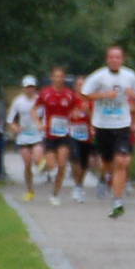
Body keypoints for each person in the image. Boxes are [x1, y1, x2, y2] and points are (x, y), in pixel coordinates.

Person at [81, 45, 135, 218]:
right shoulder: (99, 76)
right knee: (106, 162)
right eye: (112, 57)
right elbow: (84, 94)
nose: (115, 60)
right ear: (107, 59)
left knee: (122, 162)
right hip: (102, 124)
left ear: (122, 60)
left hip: (122, 124)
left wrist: (132, 95)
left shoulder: (129, 75)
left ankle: (117, 200)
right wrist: (103, 96)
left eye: (118, 57)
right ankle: (103, 177)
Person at [34, 66, 78, 206]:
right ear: (52, 77)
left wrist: (75, 113)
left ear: (64, 78)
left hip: (64, 134)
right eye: (56, 76)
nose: (58, 79)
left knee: (62, 164)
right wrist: (39, 122)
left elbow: (79, 106)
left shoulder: (69, 94)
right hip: (50, 135)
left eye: (61, 76)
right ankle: (45, 164)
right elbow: (33, 110)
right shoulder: (45, 93)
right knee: (53, 166)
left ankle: (55, 193)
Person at [6, 75, 45, 200]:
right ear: (23, 88)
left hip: (37, 135)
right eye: (28, 87)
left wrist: (43, 126)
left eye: (32, 87)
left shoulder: (39, 101)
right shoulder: (18, 101)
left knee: (37, 159)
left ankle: (44, 167)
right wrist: (15, 128)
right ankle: (29, 190)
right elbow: (10, 119)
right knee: (27, 163)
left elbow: (47, 115)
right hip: (23, 136)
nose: (30, 90)